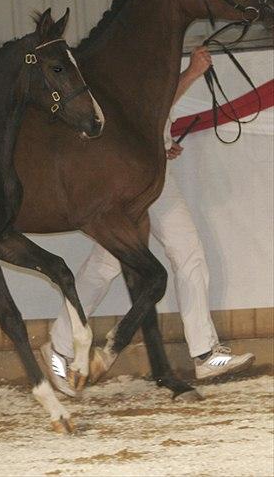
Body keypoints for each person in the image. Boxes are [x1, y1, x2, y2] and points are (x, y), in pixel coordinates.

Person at [41, 46, 255, 397]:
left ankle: (204, 352)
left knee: (176, 255)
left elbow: (152, 116)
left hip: (152, 173)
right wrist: (190, 74)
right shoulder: (134, 56)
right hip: (132, 178)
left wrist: (163, 141)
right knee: (114, 262)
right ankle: (60, 347)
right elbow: (144, 106)